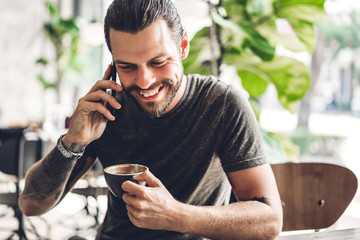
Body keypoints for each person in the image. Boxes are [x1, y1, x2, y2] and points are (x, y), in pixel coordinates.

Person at [19, 0, 283, 239]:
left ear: (183, 47)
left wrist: (176, 216)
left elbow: (269, 221)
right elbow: (31, 205)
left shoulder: (221, 104)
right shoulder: (105, 109)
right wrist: (73, 141)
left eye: (158, 61)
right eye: (127, 67)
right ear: (112, 64)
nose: (145, 81)